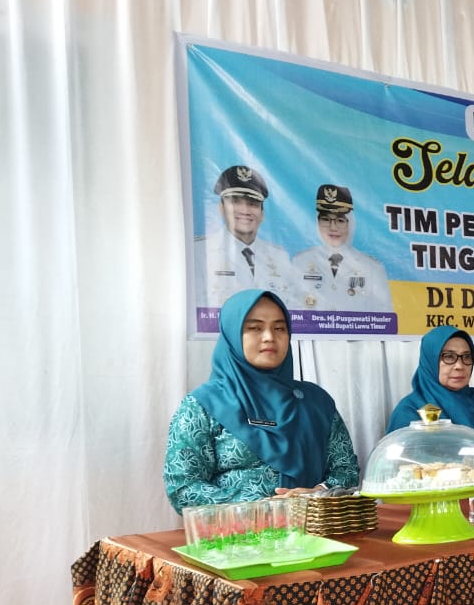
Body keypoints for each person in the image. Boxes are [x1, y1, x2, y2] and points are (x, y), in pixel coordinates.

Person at [164, 289, 359, 511]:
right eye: (255, 328)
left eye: (279, 328)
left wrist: (317, 493)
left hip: (314, 526)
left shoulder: (316, 402)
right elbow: (183, 488)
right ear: (232, 335)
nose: (269, 337)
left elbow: (346, 471)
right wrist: (262, 508)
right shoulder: (202, 405)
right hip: (236, 531)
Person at [386, 326, 474, 473]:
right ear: (430, 361)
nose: (460, 366)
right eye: (449, 357)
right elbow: (406, 466)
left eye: (466, 357)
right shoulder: (410, 410)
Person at [194, 165, 297, 307]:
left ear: (262, 214)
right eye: (235, 202)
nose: (245, 211)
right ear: (221, 208)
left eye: (253, 204)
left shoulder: (280, 257)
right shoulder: (199, 252)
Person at [292, 184, 392, 312]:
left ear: (350, 224)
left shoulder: (373, 268)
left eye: (340, 220)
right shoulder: (300, 261)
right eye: (326, 219)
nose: (333, 227)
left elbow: (384, 317)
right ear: (317, 223)